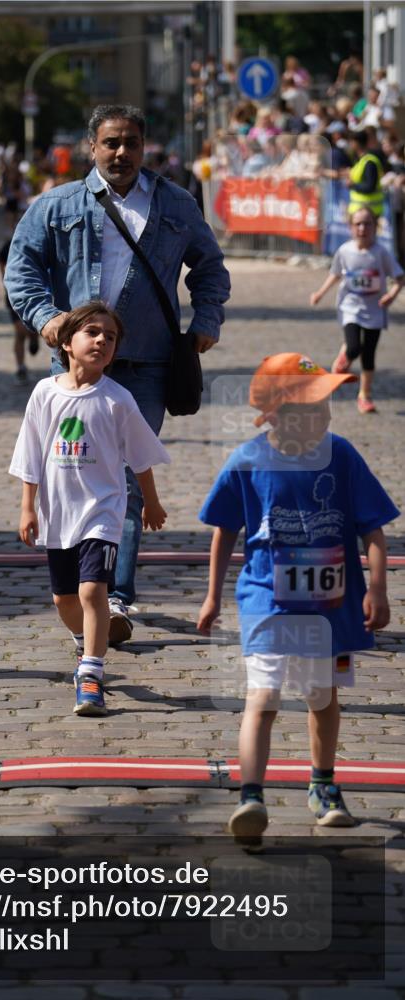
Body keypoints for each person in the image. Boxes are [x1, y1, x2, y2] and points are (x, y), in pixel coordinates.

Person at [5, 103, 230, 646]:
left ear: (144, 146)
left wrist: (206, 317)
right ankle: (84, 581)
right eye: (111, 143)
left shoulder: (175, 202)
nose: (121, 152)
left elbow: (210, 267)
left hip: (149, 363)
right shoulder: (57, 204)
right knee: (77, 472)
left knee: (127, 478)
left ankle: (114, 594)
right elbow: (22, 267)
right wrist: (47, 317)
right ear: (92, 147)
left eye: (130, 142)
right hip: (75, 367)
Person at [197, 352, 399, 843]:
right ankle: (250, 796)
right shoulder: (247, 460)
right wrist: (212, 597)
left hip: (329, 607)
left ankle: (323, 784)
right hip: (267, 599)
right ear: (277, 413)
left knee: (321, 697)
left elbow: (372, 528)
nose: (325, 412)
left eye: (326, 401)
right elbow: (224, 530)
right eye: (312, 403)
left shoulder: (343, 455)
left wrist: (377, 587)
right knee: (262, 699)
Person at [9, 302, 169, 715]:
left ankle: (91, 676)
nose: (101, 340)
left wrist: (150, 501)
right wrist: (28, 508)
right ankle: (86, 644)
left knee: (92, 590)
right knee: (64, 600)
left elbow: (141, 456)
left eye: (110, 336)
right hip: (57, 512)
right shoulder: (45, 393)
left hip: (103, 511)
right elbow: (30, 454)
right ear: (67, 342)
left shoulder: (118, 400)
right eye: (92, 332)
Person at [310, 206, 404, 413]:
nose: (363, 228)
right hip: (350, 306)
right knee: (354, 347)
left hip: (375, 309)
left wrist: (391, 295)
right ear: (351, 227)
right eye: (358, 224)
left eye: (367, 224)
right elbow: (335, 274)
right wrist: (320, 293)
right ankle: (345, 356)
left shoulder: (381, 253)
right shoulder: (345, 251)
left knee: (368, 354)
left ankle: (364, 395)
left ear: (375, 227)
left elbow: (399, 278)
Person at [0, 237, 39, 385]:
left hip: (35, 293)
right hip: (14, 294)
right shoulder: (10, 244)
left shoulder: (38, 241)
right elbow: (1, 260)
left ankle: (34, 338)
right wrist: (6, 280)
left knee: (32, 330)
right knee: (20, 332)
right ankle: (21, 368)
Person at [346, 130, 384, 217]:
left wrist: (352, 185)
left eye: (351, 142)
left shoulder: (369, 162)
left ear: (357, 143)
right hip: (360, 210)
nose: (350, 145)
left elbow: (370, 186)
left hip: (369, 212)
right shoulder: (360, 161)